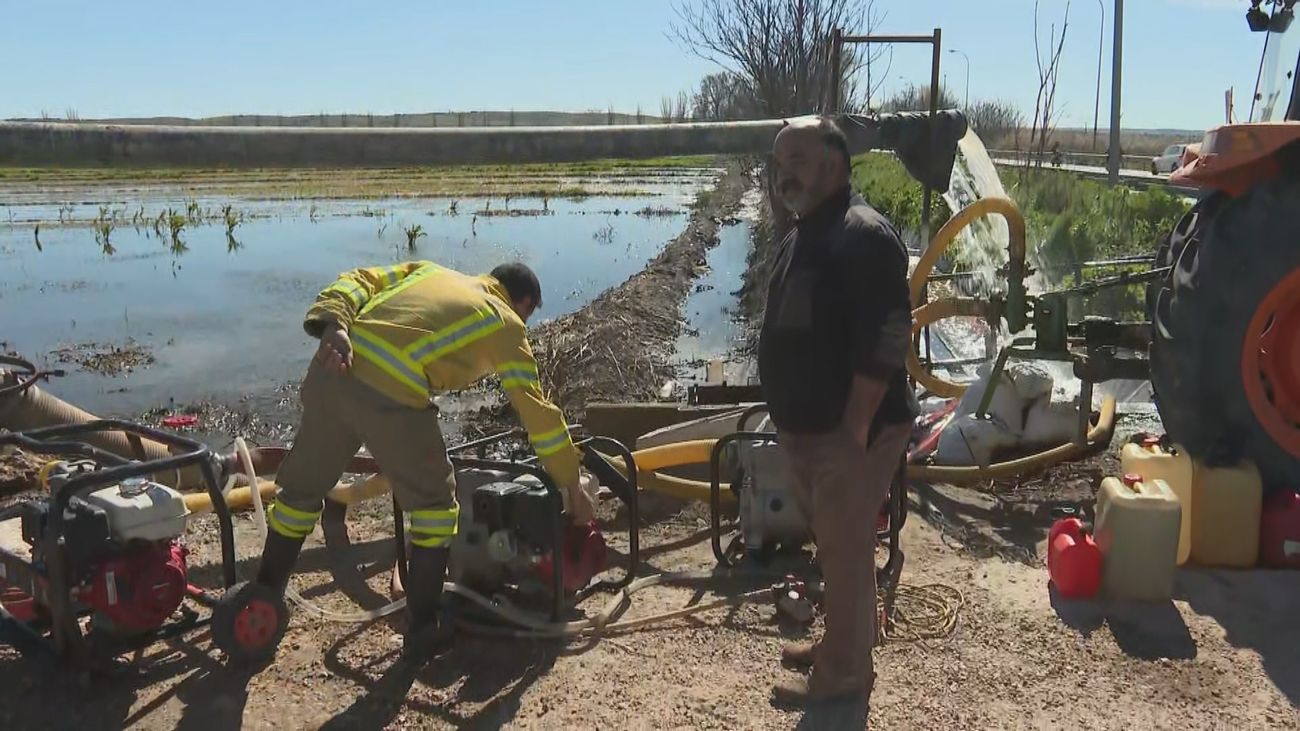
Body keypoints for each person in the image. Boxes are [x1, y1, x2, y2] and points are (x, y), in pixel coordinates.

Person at [250, 260, 581, 663]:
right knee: (437, 508)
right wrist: (571, 483)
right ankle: (425, 628)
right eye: (528, 314)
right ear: (524, 302)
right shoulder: (505, 321)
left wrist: (334, 326)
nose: (524, 322)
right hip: (391, 394)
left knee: (299, 493)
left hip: (332, 370)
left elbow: (357, 279)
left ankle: (261, 600)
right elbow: (537, 412)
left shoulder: (428, 271)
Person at [758, 117, 919, 705]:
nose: (783, 176)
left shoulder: (864, 234)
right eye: (779, 164)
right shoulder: (804, 233)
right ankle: (841, 647)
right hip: (811, 430)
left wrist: (854, 424)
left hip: (854, 430)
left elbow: (889, 333)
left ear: (832, 163)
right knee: (835, 546)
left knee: (847, 554)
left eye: (795, 161)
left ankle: (844, 678)